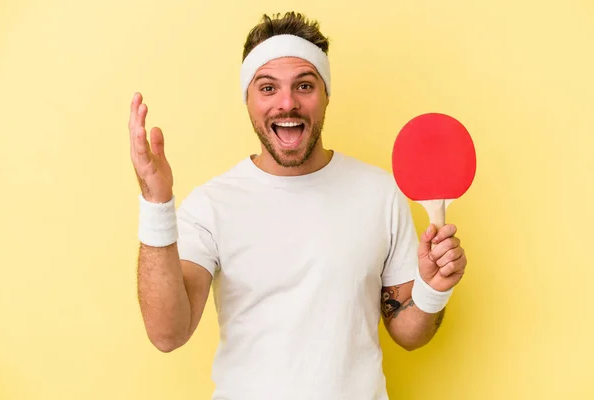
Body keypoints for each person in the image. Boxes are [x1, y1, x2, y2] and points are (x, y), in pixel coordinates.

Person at [129, 11, 468, 400]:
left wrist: (433, 288)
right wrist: (156, 204)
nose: (286, 103)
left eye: (304, 85)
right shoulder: (211, 205)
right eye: (268, 88)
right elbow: (167, 333)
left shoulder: (379, 193)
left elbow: (409, 334)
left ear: (326, 95)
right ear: (248, 99)